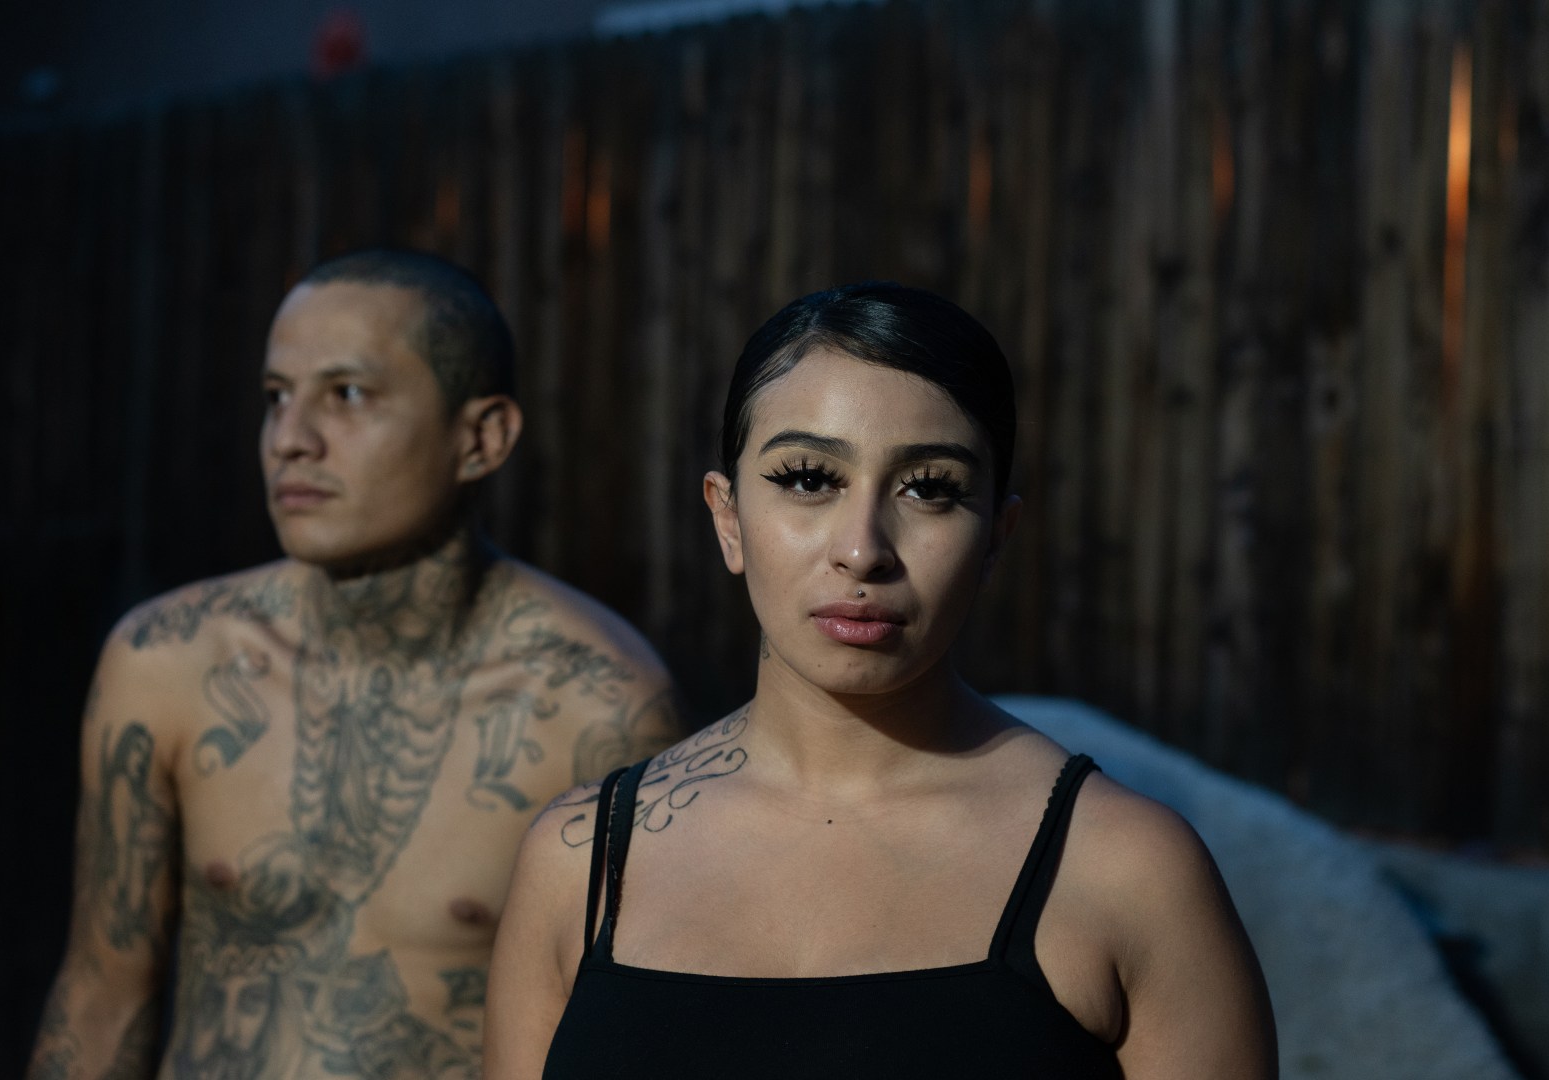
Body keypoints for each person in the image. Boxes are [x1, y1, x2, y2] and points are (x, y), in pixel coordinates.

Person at [485, 282, 1277, 1078]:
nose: (863, 550)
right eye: (808, 478)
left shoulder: (1126, 871)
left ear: (997, 537)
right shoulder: (579, 862)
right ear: (727, 517)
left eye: (930, 489)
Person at [28, 250, 685, 1079]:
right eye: (276, 397)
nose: (290, 440)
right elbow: (102, 997)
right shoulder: (169, 661)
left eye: (346, 395)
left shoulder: (596, 707)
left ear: (481, 438)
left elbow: (639, 1045)